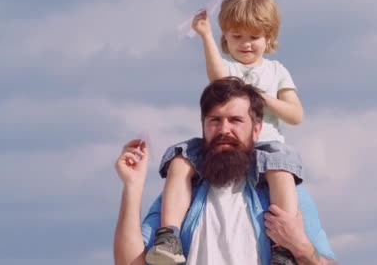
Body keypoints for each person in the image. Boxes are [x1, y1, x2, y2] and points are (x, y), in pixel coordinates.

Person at [152, 0, 305, 264]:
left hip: (266, 144)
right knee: (180, 158)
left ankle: (283, 247)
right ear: (226, 38)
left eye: (254, 37)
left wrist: (263, 99)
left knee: (283, 168)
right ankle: (169, 235)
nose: (245, 44)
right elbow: (218, 80)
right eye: (237, 37)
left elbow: (295, 114)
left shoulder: (277, 71)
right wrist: (205, 35)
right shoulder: (227, 68)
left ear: (268, 37)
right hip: (226, 144)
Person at [114, 77, 336, 265]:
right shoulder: (181, 194)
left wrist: (301, 247)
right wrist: (132, 186)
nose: (224, 130)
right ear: (203, 127)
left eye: (236, 120)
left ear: (256, 129)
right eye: (215, 120)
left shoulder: (282, 190)